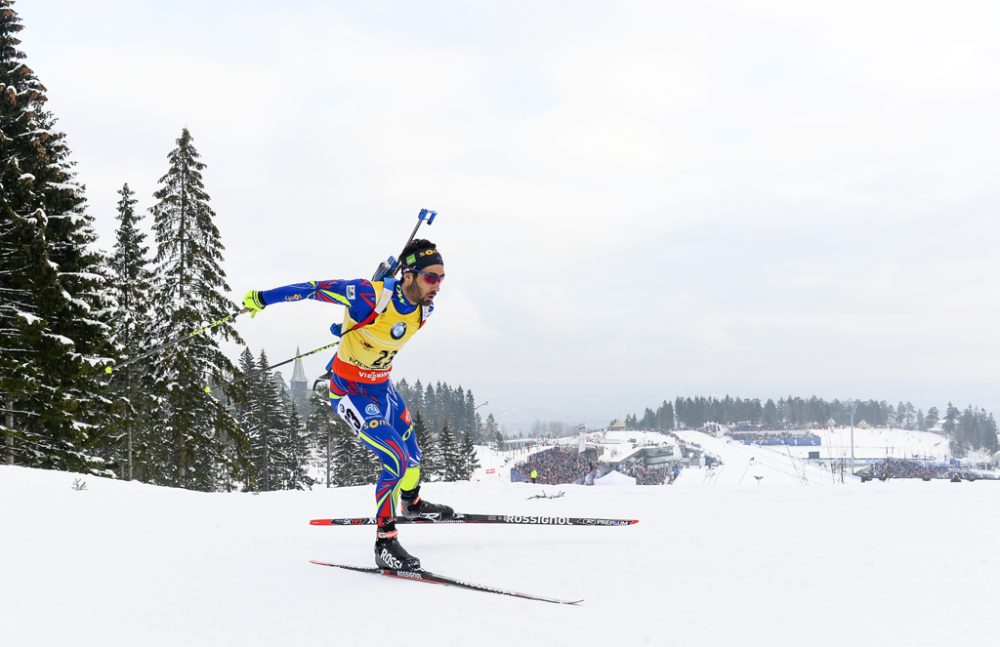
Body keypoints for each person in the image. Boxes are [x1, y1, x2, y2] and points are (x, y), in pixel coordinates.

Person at [242, 239, 453, 570]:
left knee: (413, 457)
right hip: (350, 393)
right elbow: (313, 289)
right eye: (431, 277)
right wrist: (263, 299)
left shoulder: (425, 308)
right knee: (395, 457)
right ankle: (385, 542)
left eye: (442, 278)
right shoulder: (368, 294)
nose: (437, 286)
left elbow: (377, 339)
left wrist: (348, 333)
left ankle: (411, 503)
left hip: (382, 388)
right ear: (408, 275)